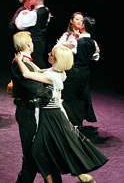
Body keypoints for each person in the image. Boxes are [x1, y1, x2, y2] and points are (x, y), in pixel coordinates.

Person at [15, 45, 108, 183]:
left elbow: (27, 74)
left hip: (52, 116)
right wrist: (27, 61)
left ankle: (78, 175)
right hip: (50, 115)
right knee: (49, 149)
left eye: (52, 54)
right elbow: (39, 70)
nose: (49, 54)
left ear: (57, 60)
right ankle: (77, 177)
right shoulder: (56, 71)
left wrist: (19, 61)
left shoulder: (54, 76)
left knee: (41, 150)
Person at [11, 31, 57, 182]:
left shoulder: (25, 61)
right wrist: (53, 94)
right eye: (31, 40)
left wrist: (54, 73)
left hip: (32, 109)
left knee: (37, 150)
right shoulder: (21, 62)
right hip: (28, 111)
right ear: (28, 44)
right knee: (32, 150)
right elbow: (34, 87)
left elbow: (37, 73)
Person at [61, 16, 100, 127]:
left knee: (64, 96)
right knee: (80, 97)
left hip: (75, 72)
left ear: (83, 26)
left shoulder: (76, 41)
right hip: (86, 72)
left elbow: (64, 50)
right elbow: (95, 57)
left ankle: (70, 121)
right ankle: (77, 122)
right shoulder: (94, 43)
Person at [15, 0, 51, 69]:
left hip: (34, 42)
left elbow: (20, 25)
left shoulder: (34, 14)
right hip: (42, 40)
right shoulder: (46, 10)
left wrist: (21, 14)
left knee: (37, 64)